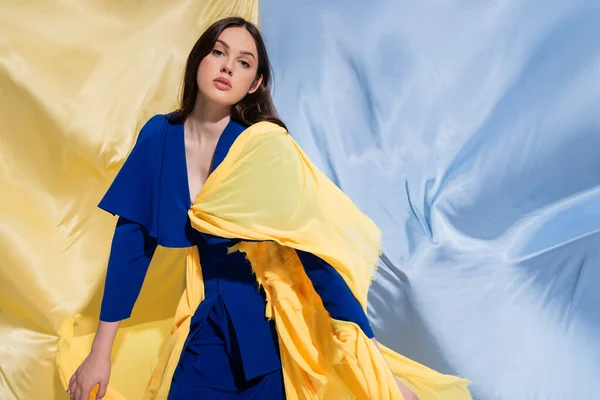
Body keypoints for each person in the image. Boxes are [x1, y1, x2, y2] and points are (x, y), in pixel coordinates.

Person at [64, 16, 471, 400]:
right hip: (205, 329)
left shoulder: (263, 145)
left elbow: (312, 256)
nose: (227, 68)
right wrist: (101, 352)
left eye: (243, 63)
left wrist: (378, 367)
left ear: (255, 83)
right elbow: (132, 245)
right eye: (218, 53)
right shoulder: (159, 135)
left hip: (272, 334)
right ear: (199, 60)